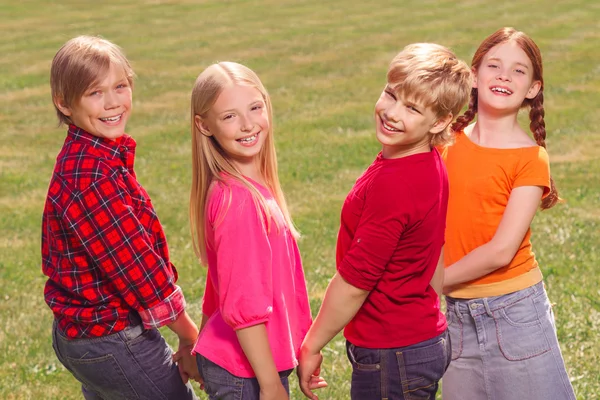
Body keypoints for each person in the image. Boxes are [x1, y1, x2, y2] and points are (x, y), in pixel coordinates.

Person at [297, 43, 472, 400]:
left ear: (439, 122)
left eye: (411, 108)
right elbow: (432, 249)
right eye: (391, 95)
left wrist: (312, 344)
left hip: (394, 352)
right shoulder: (426, 161)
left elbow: (354, 282)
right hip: (418, 340)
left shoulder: (395, 184)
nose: (392, 113)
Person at [42, 35, 199, 399]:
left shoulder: (92, 155)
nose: (113, 102)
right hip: (110, 339)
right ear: (63, 103)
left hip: (82, 335)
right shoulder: (92, 180)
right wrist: (191, 336)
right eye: (95, 93)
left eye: (120, 86)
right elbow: (141, 272)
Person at [439, 27, 576, 400]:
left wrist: (430, 283)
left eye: (519, 70)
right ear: (474, 75)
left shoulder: (531, 159)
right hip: (455, 317)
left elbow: (501, 250)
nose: (503, 75)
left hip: (515, 314)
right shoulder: (446, 142)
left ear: (532, 88)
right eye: (494, 65)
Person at [182, 61, 323, 400]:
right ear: (204, 126)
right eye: (229, 116)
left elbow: (220, 287)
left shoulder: (248, 186)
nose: (247, 124)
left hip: (254, 364)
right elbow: (242, 307)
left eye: (255, 108)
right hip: (246, 374)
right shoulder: (239, 201)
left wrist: (196, 346)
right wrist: (271, 384)